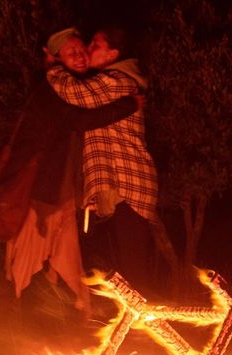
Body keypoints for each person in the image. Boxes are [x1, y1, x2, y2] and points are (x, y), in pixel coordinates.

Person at [0, 27, 141, 315]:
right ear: (56, 58)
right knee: (28, 257)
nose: (80, 55)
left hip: (59, 193)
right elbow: (80, 121)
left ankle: (76, 315)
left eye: (81, 49)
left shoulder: (71, 86)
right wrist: (129, 104)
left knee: (65, 258)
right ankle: (14, 318)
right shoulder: (52, 88)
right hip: (39, 194)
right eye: (71, 52)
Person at [45, 27, 160, 294]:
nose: (87, 49)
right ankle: (135, 317)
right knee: (126, 272)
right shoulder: (110, 81)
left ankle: (146, 319)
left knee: (135, 272)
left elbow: (73, 91)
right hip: (121, 188)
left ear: (112, 54)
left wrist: (52, 67)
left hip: (129, 187)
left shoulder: (117, 81)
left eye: (95, 45)